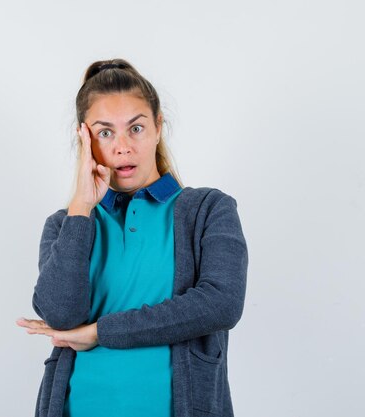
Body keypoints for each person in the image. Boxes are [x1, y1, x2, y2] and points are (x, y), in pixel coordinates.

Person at [16, 58, 248, 417]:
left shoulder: (208, 209)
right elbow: (61, 315)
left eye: (136, 129)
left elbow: (221, 303)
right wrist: (81, 206)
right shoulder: (65, 225)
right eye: (105, 132)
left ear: (158, 126)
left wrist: (101, 332)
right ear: (84, 138)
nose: (122, 146)